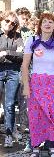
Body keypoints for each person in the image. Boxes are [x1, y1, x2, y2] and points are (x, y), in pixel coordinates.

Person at [22, 12, 54, 157]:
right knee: (36, 116)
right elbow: (24, 66)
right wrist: (26, 86)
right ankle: (35, 147)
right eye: (45, 22)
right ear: (40, 25)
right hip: (37, 82)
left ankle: (53, 149)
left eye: (51, 22)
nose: (48, 24)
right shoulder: (32, 40)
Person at [0, 11, 24, 148]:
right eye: (7, 21)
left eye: (13, 23)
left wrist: (5, 53)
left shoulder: (17, 36)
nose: (10, 24)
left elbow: (21, 56)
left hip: (13, 72)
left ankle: (9, 134)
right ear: (1, 20)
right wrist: (12, 55)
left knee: (9, 105)